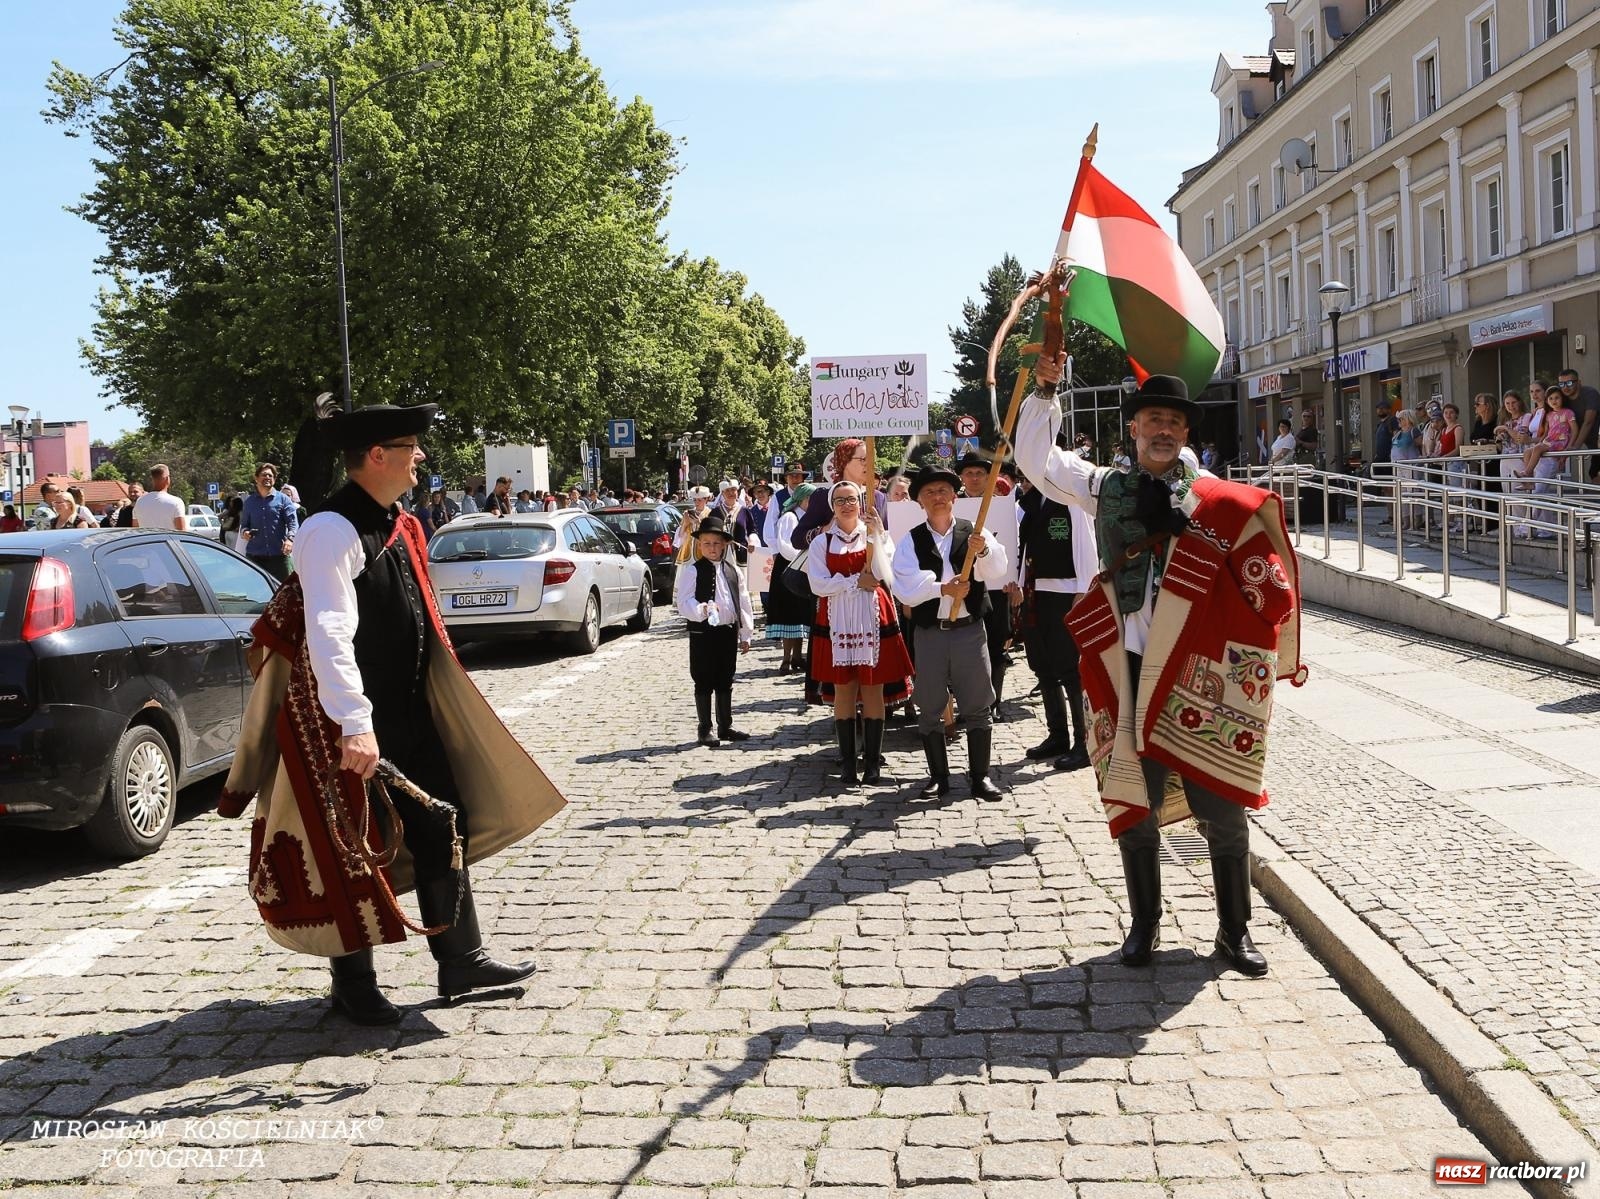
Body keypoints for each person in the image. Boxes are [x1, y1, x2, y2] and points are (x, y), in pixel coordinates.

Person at [219, 403, 562, 1025]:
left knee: (440, 823)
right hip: (344, 718)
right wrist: (354, 722)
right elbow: (328, 630)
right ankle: (353, 984)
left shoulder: (394, 521)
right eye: (410, 446)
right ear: (377, 455)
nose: (421, 458)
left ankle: (461, 959)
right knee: (349, 846)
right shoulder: (332, 528)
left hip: (403, 708)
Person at [1016, 365, 1305, 979]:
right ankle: (1143, 924)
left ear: (1184, 431)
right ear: (1133, 427)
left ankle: (1234, 931)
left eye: (1174, 421)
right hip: (1131, 665)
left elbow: (1260, 571)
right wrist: (1044, 392)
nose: (1164, 430)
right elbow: (1037, 459)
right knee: (1135, 800)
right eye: (1154, 420)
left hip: (1201, 673)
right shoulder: (1103, 486)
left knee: (1222, 805)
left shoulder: (1211, 497)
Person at [889, 464, 1010, 801]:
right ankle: (939, 778)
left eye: (943, 490)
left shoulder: (975, 532)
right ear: (920, 501)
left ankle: (980, 778)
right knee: (929, 705)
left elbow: (997, 570)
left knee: (977, 705)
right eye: (929, 493)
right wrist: (942, 588)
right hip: (931, 632)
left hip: (970, 631)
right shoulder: (910, 541)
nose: (937, 497)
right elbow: (905, 586)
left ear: (954, 496)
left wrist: (982, 549)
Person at [806, 481, 914, 788]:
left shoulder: (875, 537)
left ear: (861, 502)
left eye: (851, 499)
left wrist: (878, 536)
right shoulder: (821, 543)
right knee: (844, 688)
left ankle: (873, 763)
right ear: (832, 505)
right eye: (840, 500)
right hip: (837, 619)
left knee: (872, 689)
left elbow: (887, 572)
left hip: (872, 618)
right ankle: (848, 763)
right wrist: (854, 582)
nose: (846, 505)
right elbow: (818, 584)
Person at [1017, 436, 1099, 771]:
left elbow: (1085, 545)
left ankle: (1084, 741)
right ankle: (1057, 735)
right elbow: (1023, 548)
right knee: (1043, 666)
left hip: (1066, 591)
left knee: (1069, 669)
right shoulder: (1028, 502)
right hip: (1036, 592)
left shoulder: (1070, 499)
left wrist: (1083, 590)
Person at [674, 512, 754, 747]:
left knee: (725, 678)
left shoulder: (733, 570)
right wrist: (701, 610)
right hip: (703, 633)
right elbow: (684, 602)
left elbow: (743, 601)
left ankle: (725, 725)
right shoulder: (693, 570)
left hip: (726, 631)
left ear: (725, 545)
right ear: (699, 545)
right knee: (703, 678)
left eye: (716, 543)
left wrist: (745, 632)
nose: (711, 548)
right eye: (707, 543)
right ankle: (704, 728)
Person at [957, 451, 1015, 720]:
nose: (975, 477)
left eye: (980, 473)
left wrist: (1018, 583)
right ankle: (969, 703)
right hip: (968, 588)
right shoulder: (953, 507)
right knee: (966, 648)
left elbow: (1016, 547)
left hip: (999, 587)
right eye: (970, 473)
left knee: (996, 644)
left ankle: (994, 702)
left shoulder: (1004, 506)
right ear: (962, 477)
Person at [765, 482, 818, 672]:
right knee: (789, 616)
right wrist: (806, 556)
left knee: (800, 615)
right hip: (788, 569)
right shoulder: (789, 516)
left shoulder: (805, 517)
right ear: (804, 499)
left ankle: (797, 656)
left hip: (801, 567)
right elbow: (786, 546)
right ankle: (786, 659)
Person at [239, 462, 299, 582]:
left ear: (274, 479)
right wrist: (245, 532)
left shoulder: (283, 500)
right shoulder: (249, 502)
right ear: (256, 478)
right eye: (264, 475)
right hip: (255, 559)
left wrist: (290, 539)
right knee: (256, 595)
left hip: (279, 558)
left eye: (270, 476)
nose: (267, 478)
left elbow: (293, 523)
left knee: (285, 594)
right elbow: (244, 526)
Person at [1556, 367, 1600, 481]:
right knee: (1594, 474)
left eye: (1569, 383)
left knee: (1596, 473)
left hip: (1598, 441)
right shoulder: (1563, 400)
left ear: (1579, 382)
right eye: (1561, 384)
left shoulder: (1590, 393)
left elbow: (1588, 422)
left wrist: (1575, 446)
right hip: (1593, 445)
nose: (1565, 387)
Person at [132, 464, 188, 531]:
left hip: (147, 541)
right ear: (167, 479)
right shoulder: (176, 502)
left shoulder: (140, 502)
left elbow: (135, 529)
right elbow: (181, 531)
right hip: (168, 541)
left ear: (152, 479)